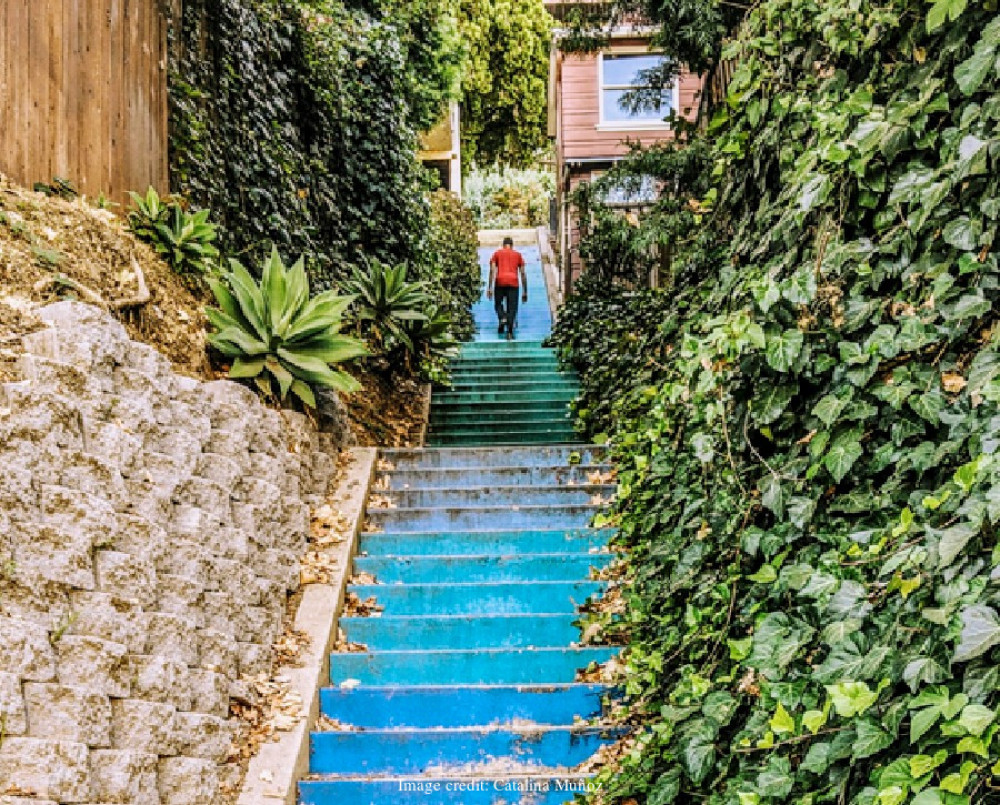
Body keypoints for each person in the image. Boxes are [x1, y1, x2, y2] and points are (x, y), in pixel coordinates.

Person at [487, 237, 527, 340]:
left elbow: (492, 270)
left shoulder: (497, 254)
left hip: (500, 281)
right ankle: (509, 331)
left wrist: (490, 287)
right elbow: (522, 273)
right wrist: (525, 291)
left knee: (498, 303)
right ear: (512, 245)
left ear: (503, 245)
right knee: (512, 307)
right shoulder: (518, 255)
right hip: (513, 282)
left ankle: (503, 317)